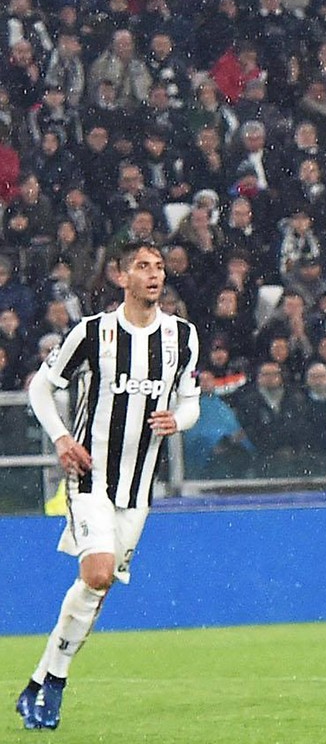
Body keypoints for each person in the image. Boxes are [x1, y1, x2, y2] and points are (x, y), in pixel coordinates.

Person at [16, 242, 201, 730]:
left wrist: (177, 421)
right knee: (97, 574)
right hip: (90, 477)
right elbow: (40, 387)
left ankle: (42, 680)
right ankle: (52, 684)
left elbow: (191, 402)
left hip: (139, 489)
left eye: (159, 267)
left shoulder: (181, 337)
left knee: (94, 590)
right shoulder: (93, 332)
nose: (155, 275)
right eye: (144, 267)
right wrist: (60, 439)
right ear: (122, 277)